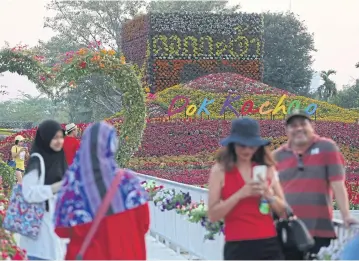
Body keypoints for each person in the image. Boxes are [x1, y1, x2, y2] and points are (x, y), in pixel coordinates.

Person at [54, 121, 150, 260]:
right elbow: (144, 224)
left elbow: (61, 230)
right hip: (127, 253)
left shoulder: (73, 187)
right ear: (111, 146)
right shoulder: (129, 182)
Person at [273, 109, 358, 260]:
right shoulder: (278, 156)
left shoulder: (327, 148)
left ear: (312, 126)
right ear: (287, 131)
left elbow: (337, 184)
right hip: (286, 228)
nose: (298, 128)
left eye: (303, 124)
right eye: (293, 125)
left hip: (317, 229)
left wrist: (346, 215)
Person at [208, 118, 286, 260]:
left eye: (252, 145)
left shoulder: (268, 169)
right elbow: (213, 215)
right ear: (232, 144)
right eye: (242, 145)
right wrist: (240, 194)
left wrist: (268, 194)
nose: (247, 150)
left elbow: (283, 211)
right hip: (237, 246)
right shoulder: (219, 171)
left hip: (268, 244)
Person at [20, 120, 67, 260]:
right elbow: (27, 193)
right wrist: (53, 189)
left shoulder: (59, 159)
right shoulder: (37, 161)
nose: (59, 141)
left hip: (56, 230)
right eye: (54, 138)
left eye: (61, 137)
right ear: (45, 138)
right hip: (39, 234)